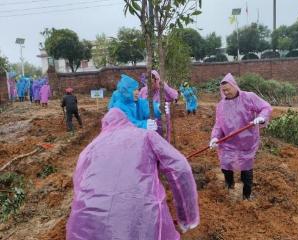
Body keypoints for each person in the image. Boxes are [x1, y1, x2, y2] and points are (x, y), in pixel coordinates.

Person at [66, 107, 199, 240]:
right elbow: (180, 167)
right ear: (126, 121)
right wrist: (187, 218)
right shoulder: (145, 135)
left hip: (83, 226)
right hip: (142, 219)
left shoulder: (90, 148)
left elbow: (78, 185)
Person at [209, 73, 272, 200]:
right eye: (223, 90)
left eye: (228, 89)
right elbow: (218, 124)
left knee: (246, 169)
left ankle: (247, 195)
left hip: (246, 141)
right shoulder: (221, 106)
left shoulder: (249, 97)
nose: (226, 92)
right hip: (228, 142)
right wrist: (215, 137)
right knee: (226, 164)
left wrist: (261, 117)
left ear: (234, 86)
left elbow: (265, 107)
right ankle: (229, 184)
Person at [139, 70, 178, 140]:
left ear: (156, 81)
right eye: (147, 83)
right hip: (147, 124)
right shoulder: (143, 91)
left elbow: (175, 96)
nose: (149, 86)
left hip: (161, 124)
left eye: (152, 83)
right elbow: (139, 105)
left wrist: (164, 85)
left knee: (162, 143)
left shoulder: (162, 91)